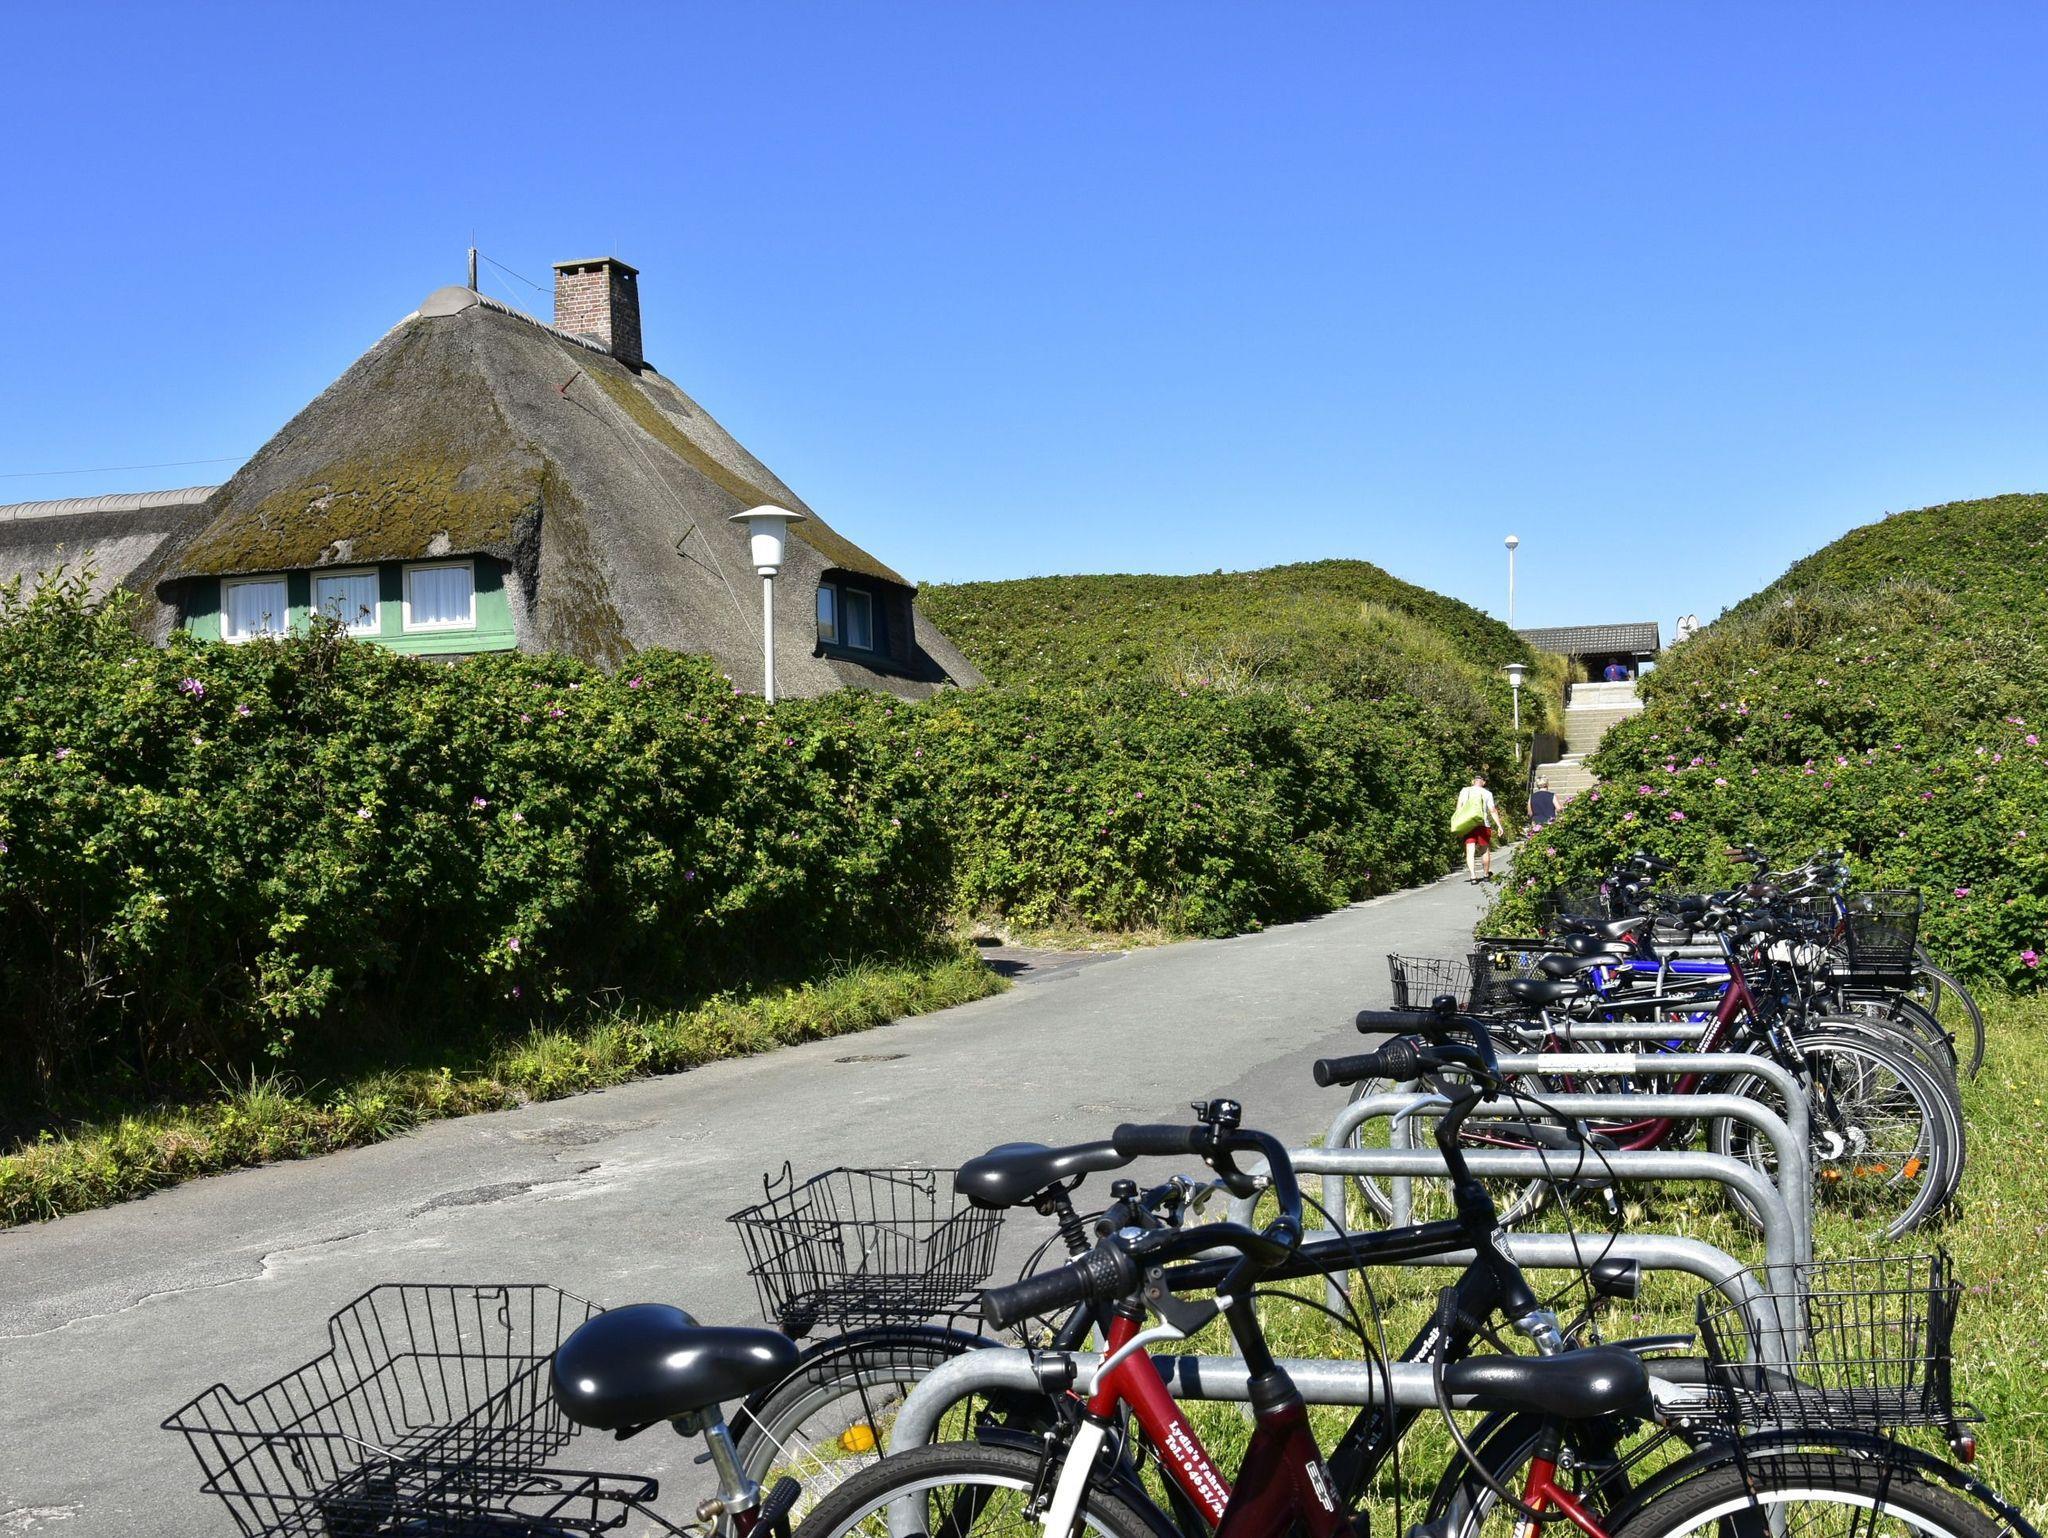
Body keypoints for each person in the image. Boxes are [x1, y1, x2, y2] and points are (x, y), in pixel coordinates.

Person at [1450, 773, 1506, 883]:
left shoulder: (1464, 791)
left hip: (1468, 824)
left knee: (1470, 850)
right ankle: (1485, 875)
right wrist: (1499, 826)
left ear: (1473, 781)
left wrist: (1458, 824)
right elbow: (1492, 810)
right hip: (1483, 824)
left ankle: (1473, 877)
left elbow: (1458, 809)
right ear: (1483, 782)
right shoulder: (1487, 793)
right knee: (1484, 850)